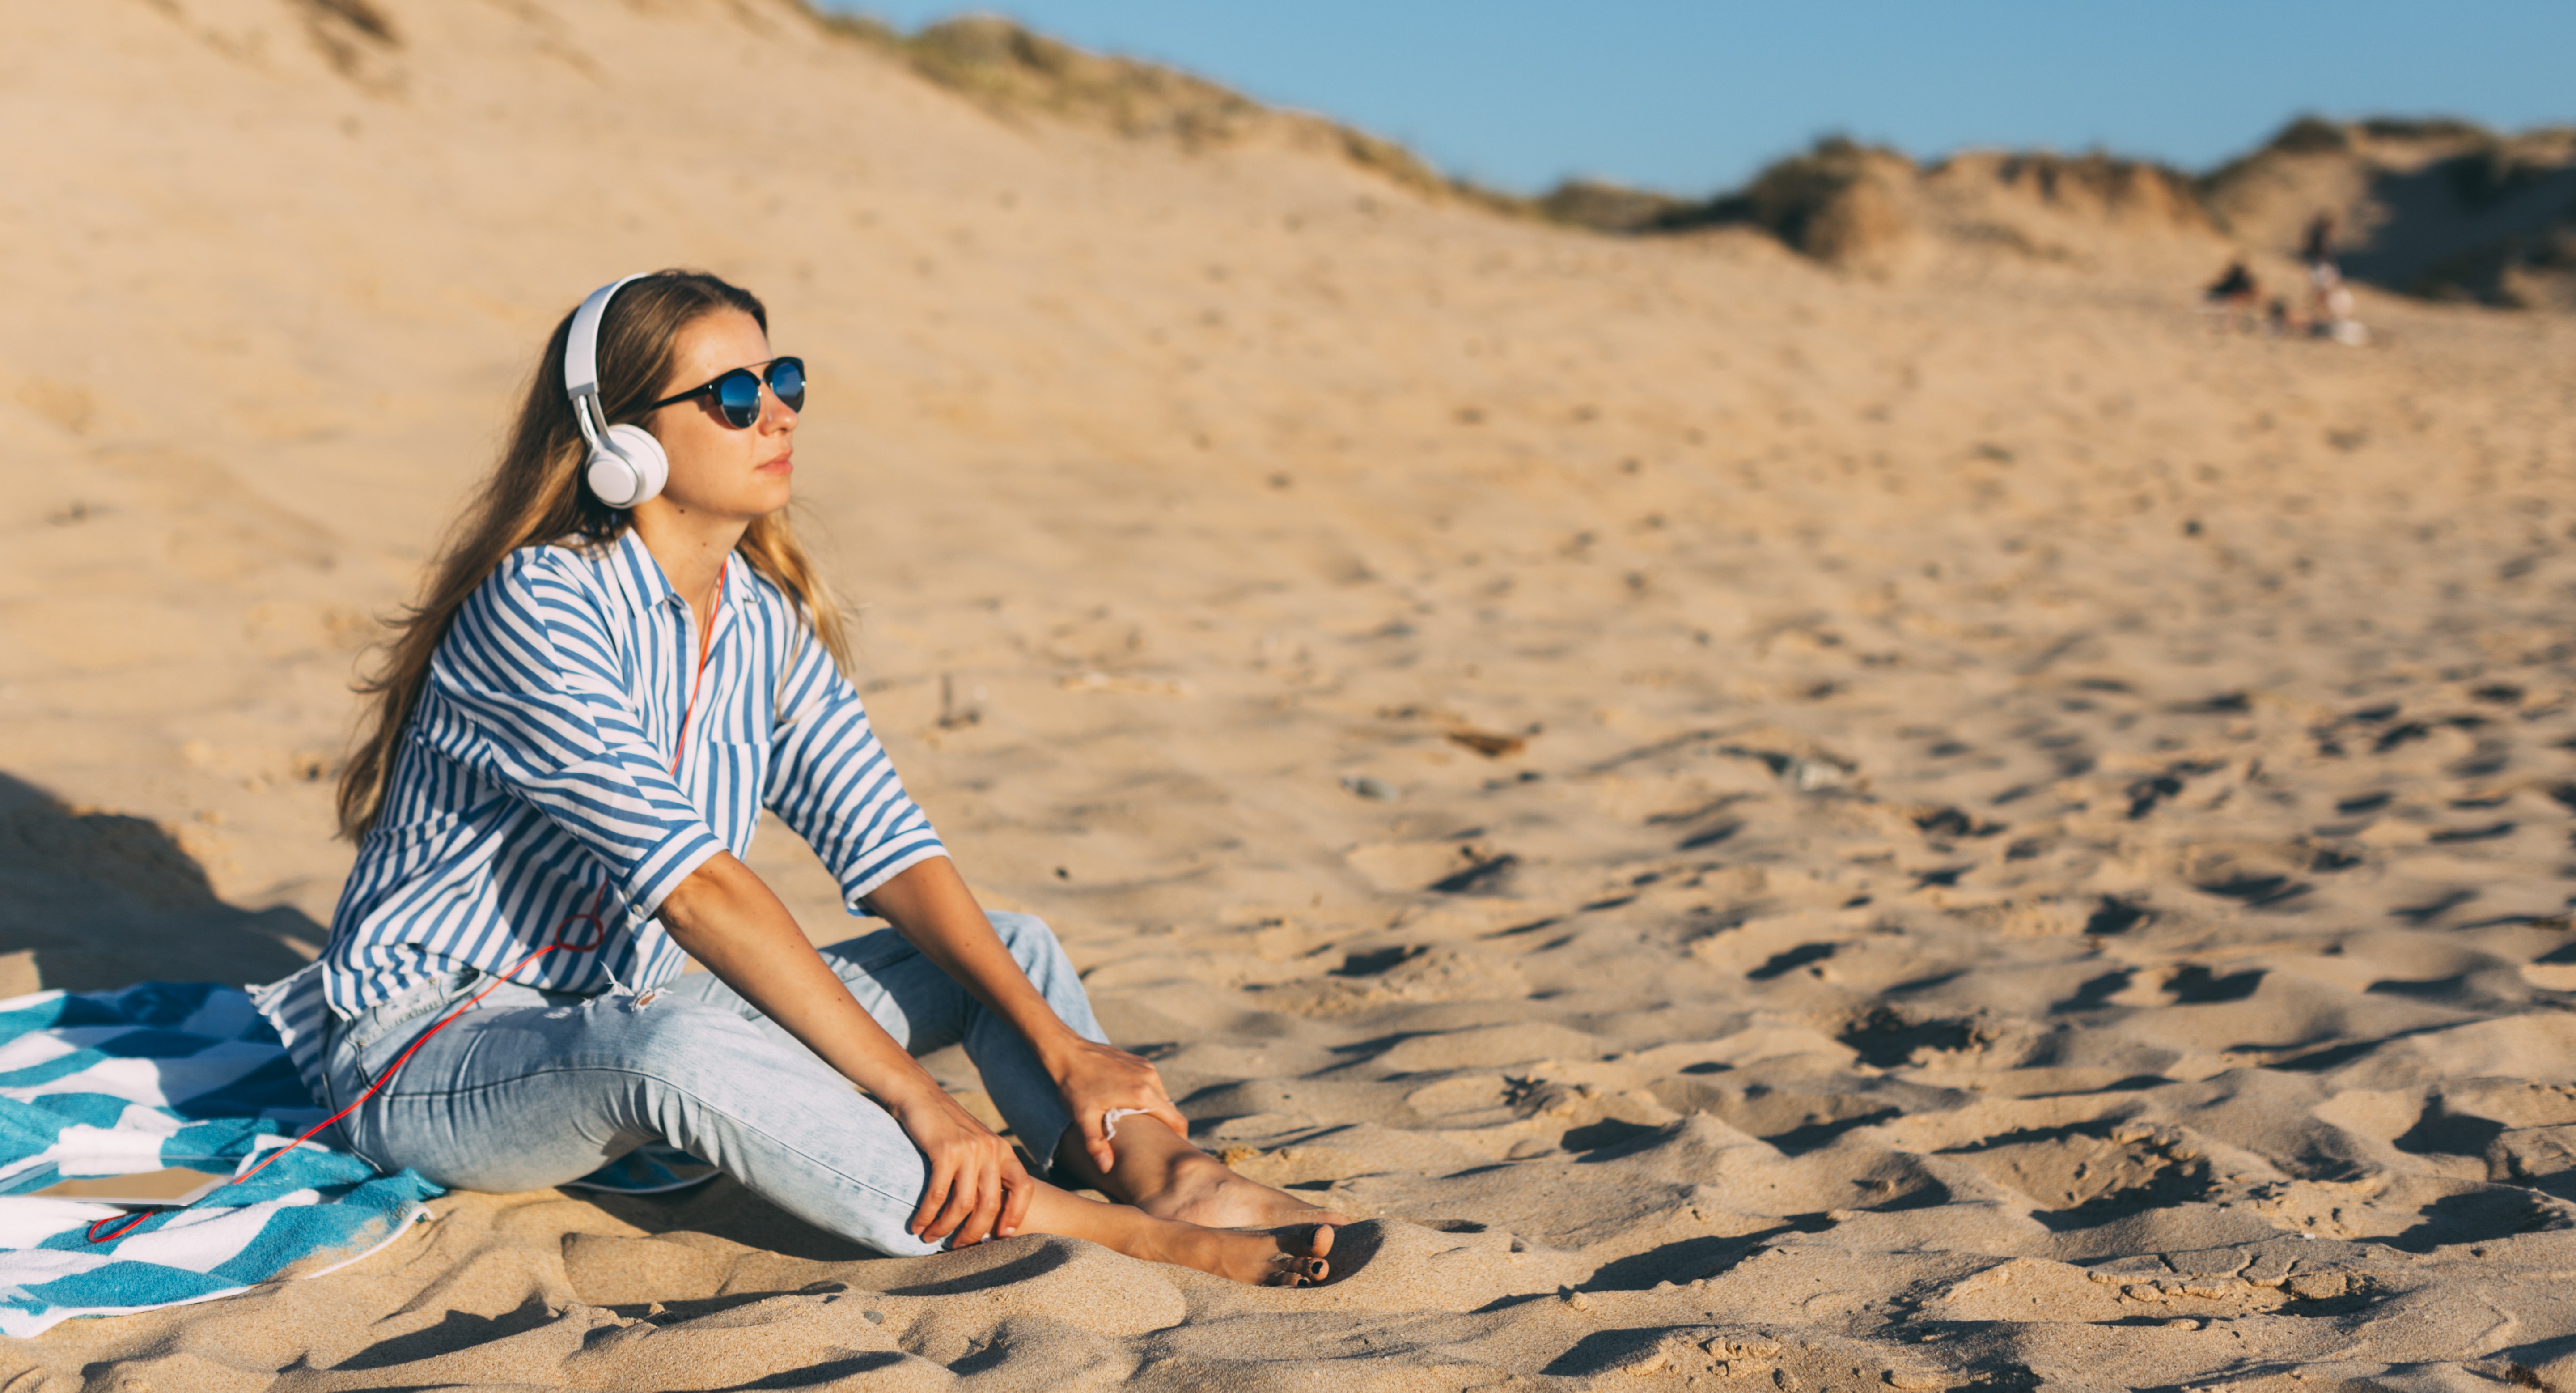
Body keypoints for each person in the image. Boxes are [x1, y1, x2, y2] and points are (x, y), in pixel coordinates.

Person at [251, 270, 1341, 1286]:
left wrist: (1068, 1048)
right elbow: (698, 892)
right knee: (671, 1050)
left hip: (633, 999)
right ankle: (1097, 1227)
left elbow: (889, 845)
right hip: (436, 1049)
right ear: (619, 441)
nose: (777, 412)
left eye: (784, 381)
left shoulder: (762, 621)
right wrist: (918, 1099)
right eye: (733, 394)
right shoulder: (538, 604)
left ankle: (1168, 1176)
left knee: (1001, 951)